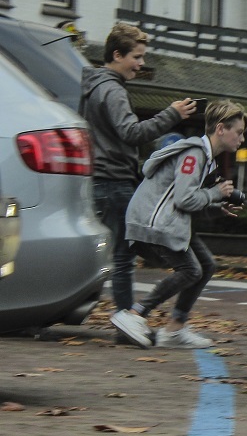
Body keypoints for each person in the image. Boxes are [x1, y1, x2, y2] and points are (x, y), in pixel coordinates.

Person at [111, 100, 247, 349]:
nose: (241, 138)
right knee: (191, 270)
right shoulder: (194, 154)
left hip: (167, 220)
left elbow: (188, 204)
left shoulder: (207, 159)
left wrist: (218, 207)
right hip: (153, 222)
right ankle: (134, 314)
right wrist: (216, 193)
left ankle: (175, 329)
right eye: (238, 132)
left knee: (206, 265)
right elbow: (185, 199)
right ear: (221, 128)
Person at [80, 23, 198, 314]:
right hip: (114, 181)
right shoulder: (113, 90)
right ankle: (125, 321)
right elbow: (131, 133)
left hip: (101, 179)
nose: (141, 64)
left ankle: (82, 308)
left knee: (114, 252)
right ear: (117, 55)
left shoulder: (93, 86)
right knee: (123, 256)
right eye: (137, 57)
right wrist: (172, 114)